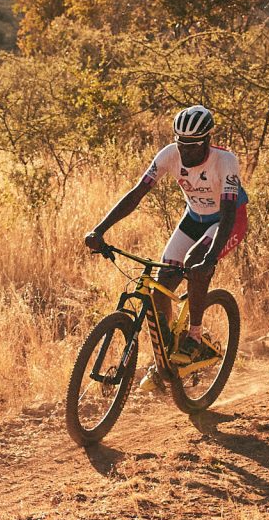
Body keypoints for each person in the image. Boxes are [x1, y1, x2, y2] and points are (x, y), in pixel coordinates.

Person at [83, 104, 247, 365]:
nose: (186, 151)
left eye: (193, 145)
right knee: (161, 284)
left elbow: (228, 214)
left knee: (196, 260)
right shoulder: (169, 155)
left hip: (228, 220)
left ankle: (194, 337)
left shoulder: (225, 161)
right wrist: (99, 230)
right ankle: (168, 354)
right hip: (193, 218)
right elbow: (136, 194)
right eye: (181, 144)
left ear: (207, 141)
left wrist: (210, 259)